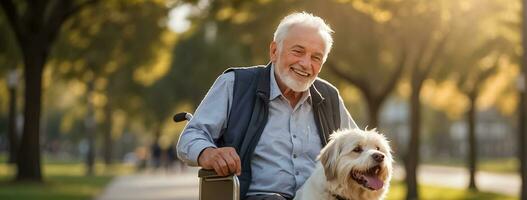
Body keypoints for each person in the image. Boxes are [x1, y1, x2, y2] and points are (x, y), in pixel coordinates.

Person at [177, 12, 358, 200]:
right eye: (298, 51)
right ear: (274, 51)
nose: (305, 64)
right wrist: (209, 153)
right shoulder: (235, 84)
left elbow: (359, 147)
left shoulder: (330, 97)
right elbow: (191, 136)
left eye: (316, 57)